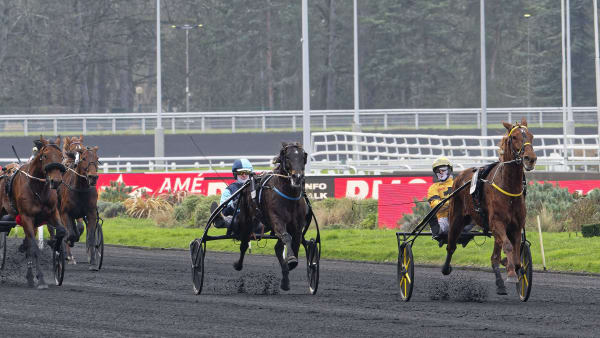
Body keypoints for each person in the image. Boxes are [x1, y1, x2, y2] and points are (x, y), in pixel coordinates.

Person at [211, 158, 254, 234]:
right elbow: (224, 211)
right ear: (235, 174)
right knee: (233, 219)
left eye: (246, 172)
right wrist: (234, 204)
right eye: (241, 172)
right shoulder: (229, 190)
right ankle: (220, 220)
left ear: (250, 173)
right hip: (238, 219)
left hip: (255, 218)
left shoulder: (256, 186)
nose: (244, 175)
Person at [427, 157, 454, 243]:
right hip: (443, 217)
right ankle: (436, 230)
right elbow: (435, 204)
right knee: (442, 226)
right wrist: (451, 203)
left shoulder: (458, 183)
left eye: (443, 169)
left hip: (458, 216)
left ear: (449, 170)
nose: (440, 172)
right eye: (438, 170)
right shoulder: (433, 187)